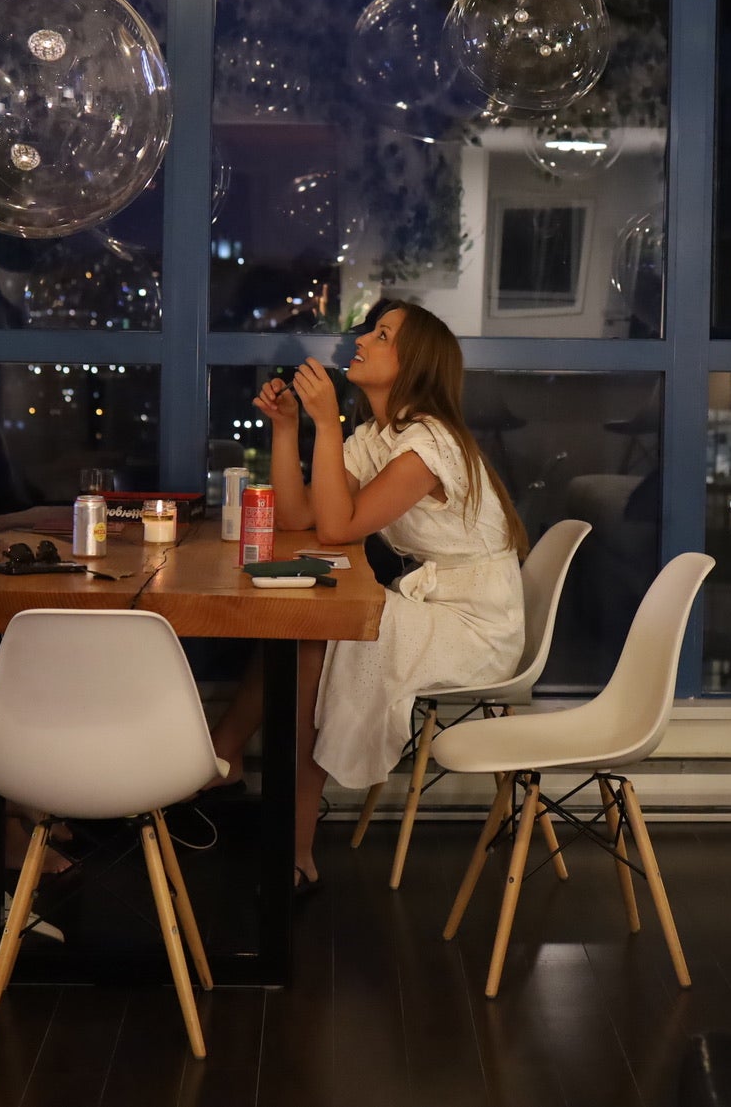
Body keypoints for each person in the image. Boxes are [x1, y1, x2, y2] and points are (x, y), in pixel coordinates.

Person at [208, 301, 530, 888]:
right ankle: (224, 762)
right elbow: (303, 517)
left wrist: (327, 424)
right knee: (301, 627)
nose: (361, 340)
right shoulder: (378, 437)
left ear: (414, 364)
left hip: (477, 625)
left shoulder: (428, 446)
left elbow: (337, 529)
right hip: (438, 605)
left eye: (381, 335)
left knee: (315, 637)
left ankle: (293, 848)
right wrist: (288, 428)